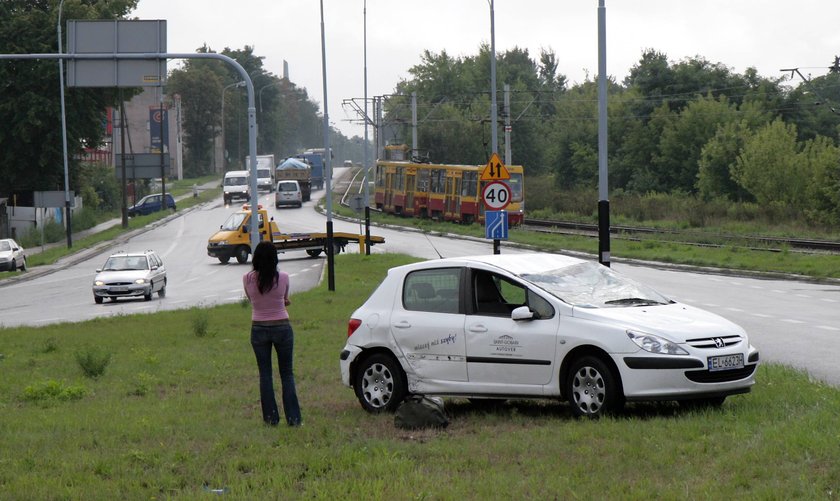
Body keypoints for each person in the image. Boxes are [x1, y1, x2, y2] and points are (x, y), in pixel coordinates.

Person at [243, 241, 302, 426]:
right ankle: (293, 419)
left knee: (265, 375)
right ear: (275, 259)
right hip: (282, 327)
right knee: (287, 374)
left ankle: (271, 419)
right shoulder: (283, 277)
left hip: (258, 328)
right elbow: (284, 299)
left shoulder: (247, 279)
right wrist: (282, 302)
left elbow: (253, 299)